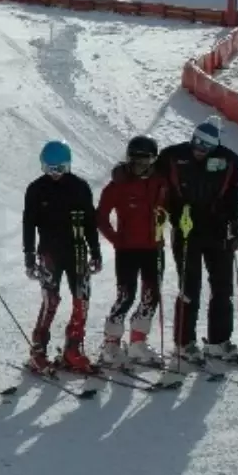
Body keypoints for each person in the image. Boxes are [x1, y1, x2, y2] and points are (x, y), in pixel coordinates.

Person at [156, 118, 238, 365]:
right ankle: (184, 344)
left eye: (205, 146)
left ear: (214, 146)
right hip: (186, 230)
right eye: (196, 142)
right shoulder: (173, 156)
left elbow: (235, 193)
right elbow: (149, 179)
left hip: (217, 230)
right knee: (190, 287)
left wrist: (235, 225)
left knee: (222, 287)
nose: (198, 149)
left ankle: (218, 342)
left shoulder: (228, 160)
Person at [22, 140, 102, 374]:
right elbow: (28, 224)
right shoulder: (36, 189)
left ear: (68, 166)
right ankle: (38, 352)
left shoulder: (80, 187)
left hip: (77, 251)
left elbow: (90, 222)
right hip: (49, 252)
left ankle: (72, 350)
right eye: (50, 169)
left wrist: (95, 252)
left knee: (82, 300)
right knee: (51, 300)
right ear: (43, 167)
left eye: (60, 169)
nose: (55, 174)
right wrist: (28, 255)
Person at [96, 136, 166, 366]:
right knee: (126, 296)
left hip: (153, 248)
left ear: (153, 160)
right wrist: (117, 239)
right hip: (127, 250)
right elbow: (101, 216)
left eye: (145, 161)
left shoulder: (160, 181)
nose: (140, 166)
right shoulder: (119, 183)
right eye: (136, 161)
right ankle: (111, 344)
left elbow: (172, 206)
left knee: (151, 296)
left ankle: (137, 343)